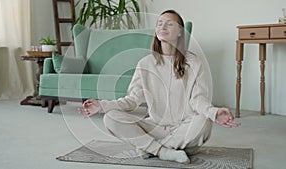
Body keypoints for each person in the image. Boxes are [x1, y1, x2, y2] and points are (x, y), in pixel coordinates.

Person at [78, 9, 240, 164]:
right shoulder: (145, 64)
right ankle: (165, 151)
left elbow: (198, 100)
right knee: (111, 118)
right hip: (155, 127)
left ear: (180, 32)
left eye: (169, 23)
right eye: (159, 23)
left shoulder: (193, 62)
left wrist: (214, 112)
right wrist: (102, 105)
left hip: (184, 127)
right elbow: (132, 100)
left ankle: (151, 148)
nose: (162, 26)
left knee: (204, 121)